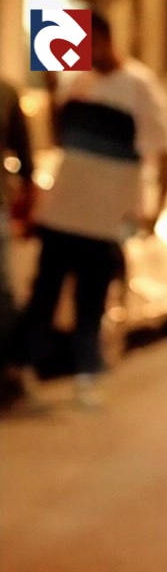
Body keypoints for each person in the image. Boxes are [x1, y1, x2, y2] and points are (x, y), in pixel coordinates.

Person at [10, 11, 167, 409]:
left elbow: (164, 152)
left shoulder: (139, 86)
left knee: (91, 301)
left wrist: (155, 209)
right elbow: (58, 135)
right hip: (62, 214)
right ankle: (26, 369)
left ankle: (86, 375)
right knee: (44, 296)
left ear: (104, 39)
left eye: (87, 42)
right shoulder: (76, 80)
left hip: (103, 220)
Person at [0, 77, 36, 408]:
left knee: (3, 292)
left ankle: (10, 370)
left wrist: (30, 205)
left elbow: (24, 153)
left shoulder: (6, 92)